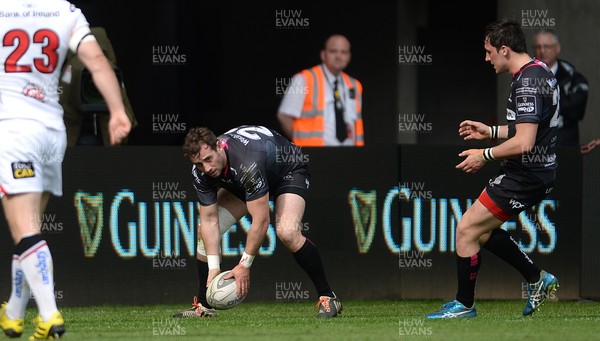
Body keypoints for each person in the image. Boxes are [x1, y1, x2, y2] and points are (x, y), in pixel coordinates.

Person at [0, 0, 132, 339]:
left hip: (16, 130)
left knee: (25, 229)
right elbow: (98, 61)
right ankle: (13, 313)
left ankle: (49, 315)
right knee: (28, 228)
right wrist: (117, 111)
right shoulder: (65, 11)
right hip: (51, 131)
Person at [426, 18, 559, 319]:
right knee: (482, 233)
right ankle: (538, 280)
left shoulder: (526, 81)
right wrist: (491, 131)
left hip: (525, 175)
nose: (486, 59)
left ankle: (464, 305)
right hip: (534, 172)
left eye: (489, 52)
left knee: (466, 229)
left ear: (504, 49)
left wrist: (483, 154)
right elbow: (527, 129)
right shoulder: (538, 71)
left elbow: (525, 142)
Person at [173, 125, 342, 318]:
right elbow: (210, 220)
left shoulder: (247, 162)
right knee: (203, 232)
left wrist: (244, 265)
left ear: (219, 146)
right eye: (199, 164)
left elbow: (261, 221)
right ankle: (204, 306)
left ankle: (328, 297)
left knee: (287, 232)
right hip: (245, 179)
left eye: (208, 159)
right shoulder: (202, 173)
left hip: (287, 170)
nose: (207, 168)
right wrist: (214, 268)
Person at [277, 34, 364, 147]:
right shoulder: (304, 79)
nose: (339, 56)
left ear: (349, 56)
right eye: (333, 51)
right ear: (323, 55)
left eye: (344, 52)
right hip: (316, 156)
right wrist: (301, 141)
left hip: (349, 157)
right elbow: (284, 116)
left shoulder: (355, 85)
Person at [59, 26, 138, 146]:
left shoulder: (109, 72)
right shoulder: (71, 70)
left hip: (100, 129)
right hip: (85, 129)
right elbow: (63, 98)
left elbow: (61, 100)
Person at [533, 29, 589, 147]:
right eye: (538, 47)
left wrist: (545, 95)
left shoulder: (572, 77)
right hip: (535, 147)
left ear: (557, 48)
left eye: (547, 46)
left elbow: (577, 110)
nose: (542, 51)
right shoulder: (526, 76)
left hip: (565, 145)